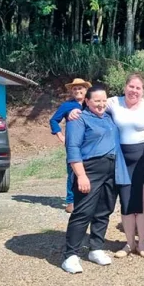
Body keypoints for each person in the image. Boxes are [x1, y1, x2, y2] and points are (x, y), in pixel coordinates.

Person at [69, 73, 144, 258]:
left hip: (143, 157)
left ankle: (141, 243)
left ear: (143, 91)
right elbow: (93, 104)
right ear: (125, 87)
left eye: (138, 88)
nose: (134, 91)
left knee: (142, 202)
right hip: (120, 157)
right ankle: (129, 243)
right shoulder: (112, 102)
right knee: (126, 202)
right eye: (131, 86)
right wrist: (73, 110)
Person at [61, 85, 129, 273]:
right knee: (83, 211)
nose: (100, 104)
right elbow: (72, 148)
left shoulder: (109, 118)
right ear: (87, 102)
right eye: (96, 101)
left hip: (112, 169)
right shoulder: (78, 119)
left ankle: (96, 248)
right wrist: (81, 175)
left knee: (104, 210)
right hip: (90, 169)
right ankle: (71, 255)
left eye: (103, 100)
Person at [50, 78, 90, 213]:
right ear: (72, 91)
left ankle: (86, 198)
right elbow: (54, 120)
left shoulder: (90, 103)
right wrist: (60, 135)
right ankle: (71, 201)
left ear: (86, 90)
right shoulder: (67, 106)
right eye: (75, 89)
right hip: (73, 143)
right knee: (72, 171)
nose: (78, 91)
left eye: (80, 88)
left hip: (89, 143)